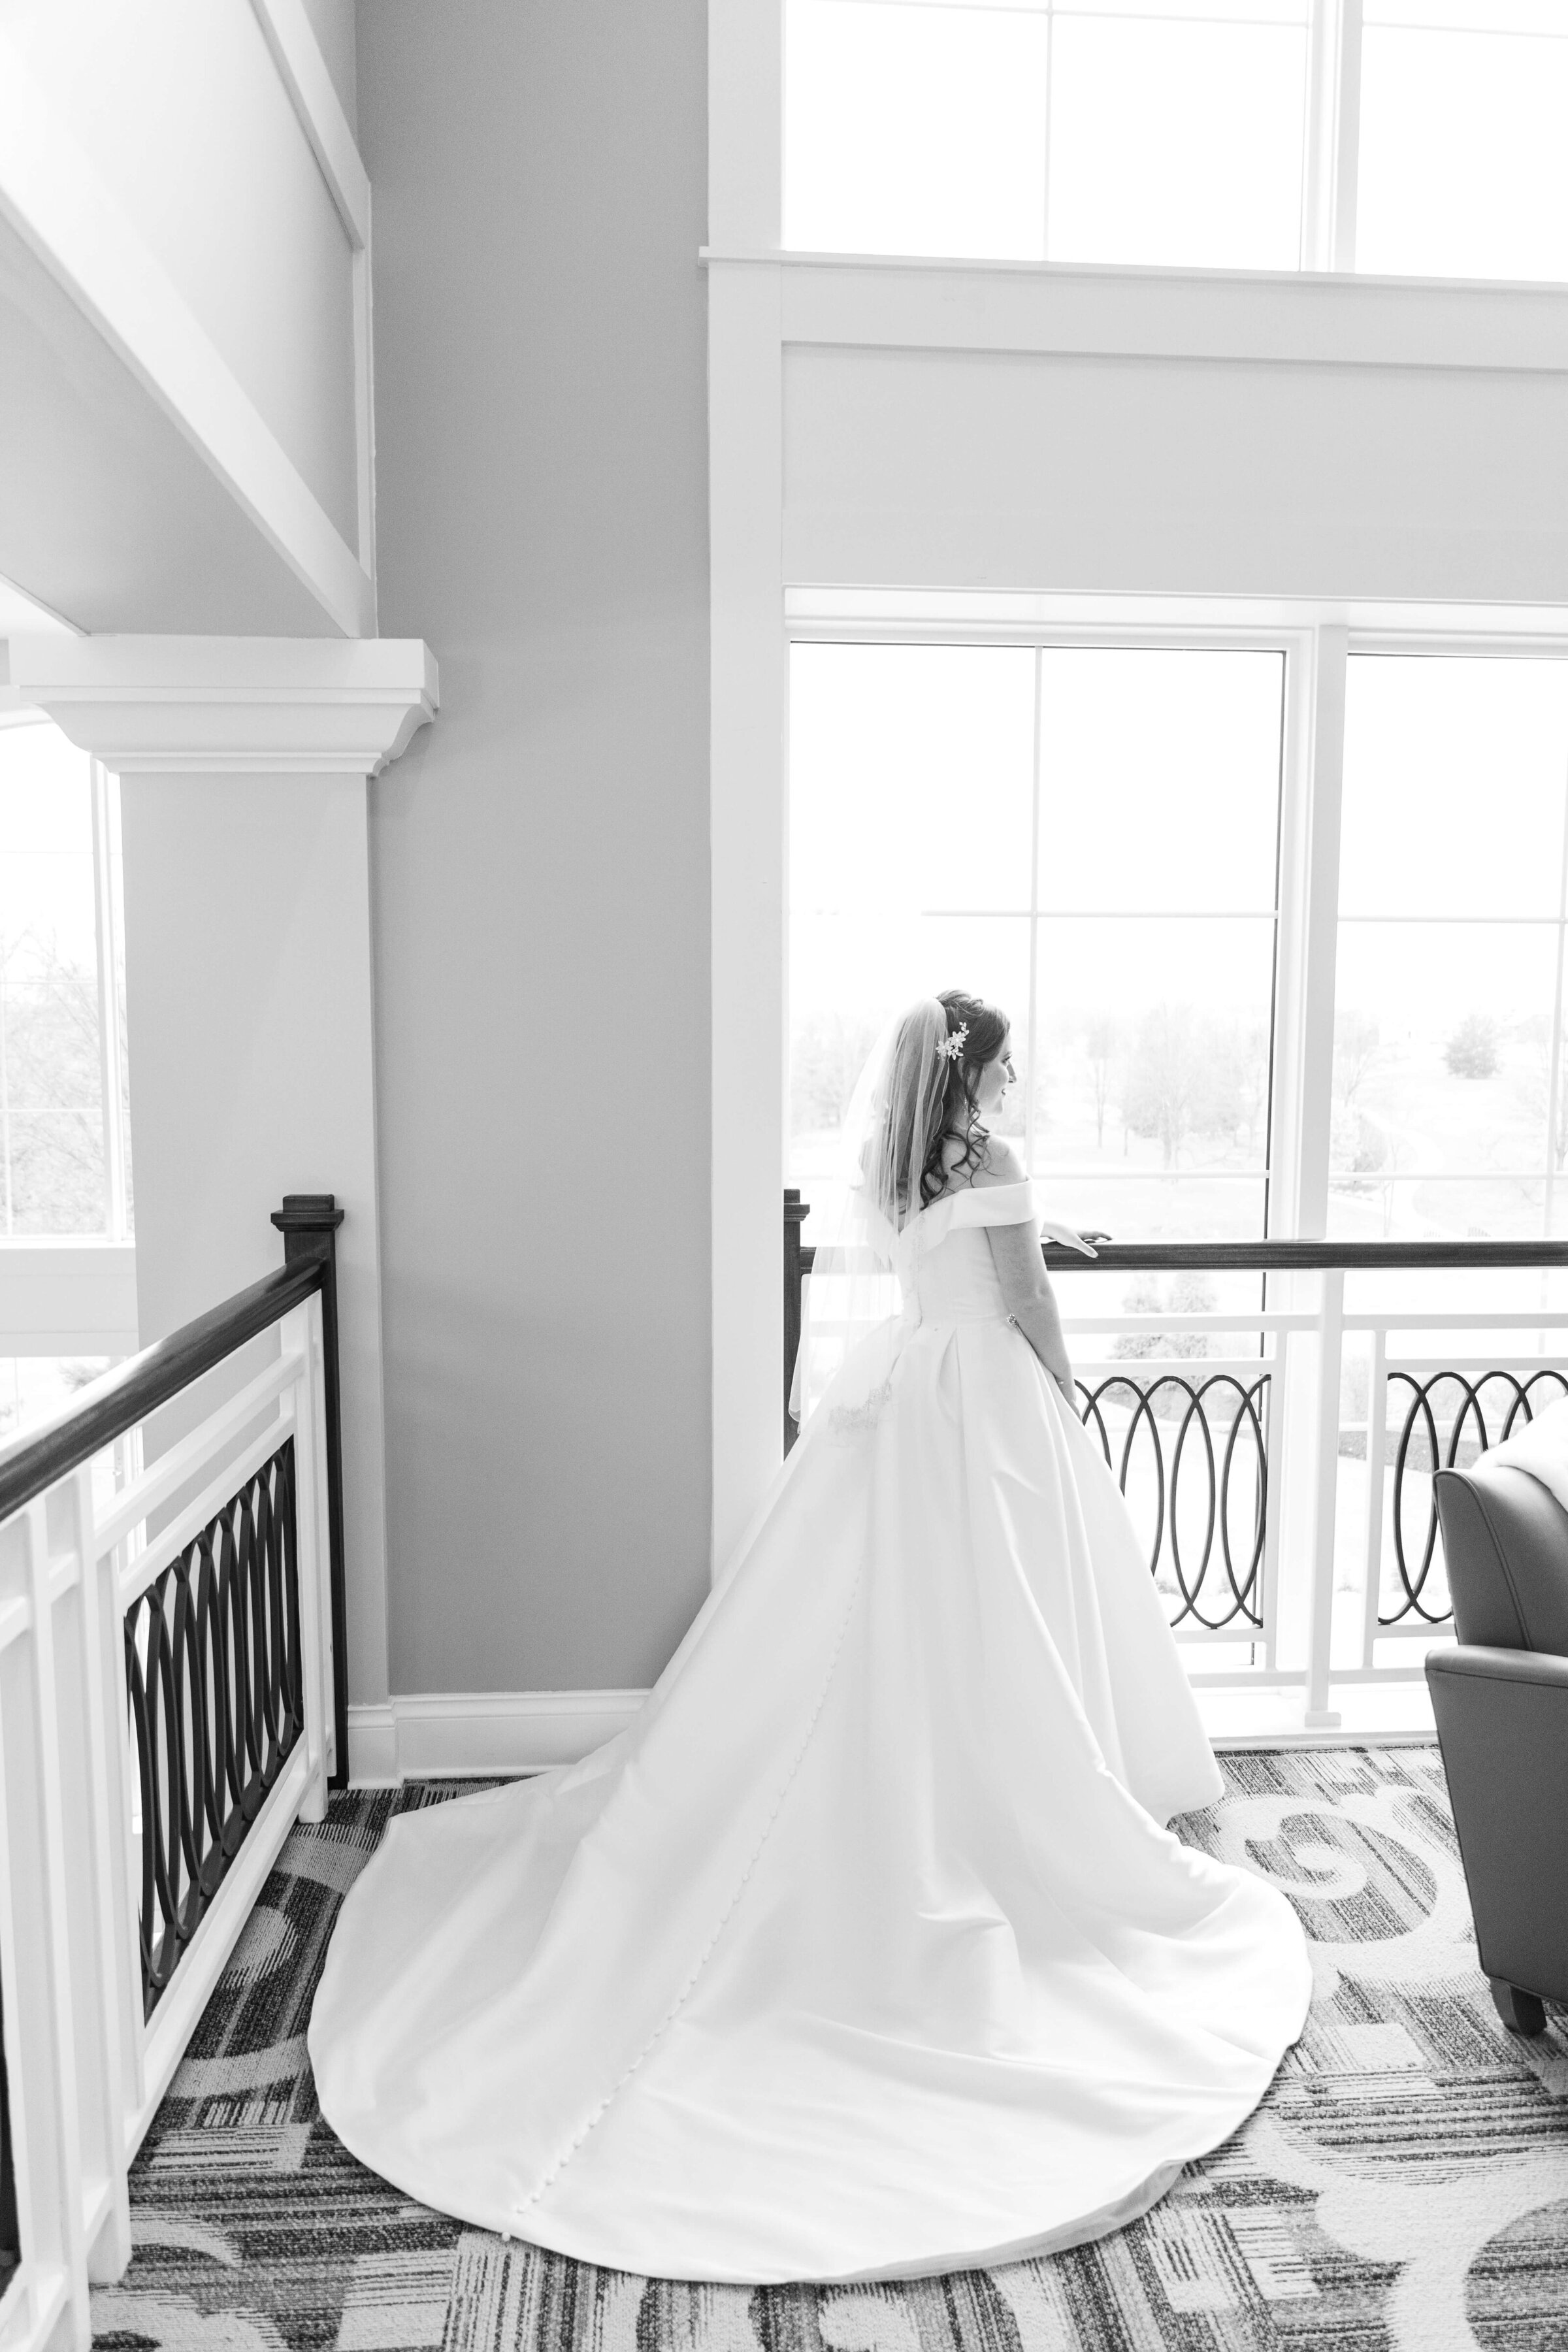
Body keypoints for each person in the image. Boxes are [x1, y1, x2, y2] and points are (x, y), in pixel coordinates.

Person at [309, 989, 1310, 2284]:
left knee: (882, 1615)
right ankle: (1024, 1795)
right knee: (1001, 1612)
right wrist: (1071, 1391)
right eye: (1006, 1068)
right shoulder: (994, 1163)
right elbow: (1025, 1303)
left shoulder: (900, 1167)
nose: (1015, 1086)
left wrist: (1025, 1227)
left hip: (907, 1388)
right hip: (987, 1400)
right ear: (977, 1074)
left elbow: (960, 1255)